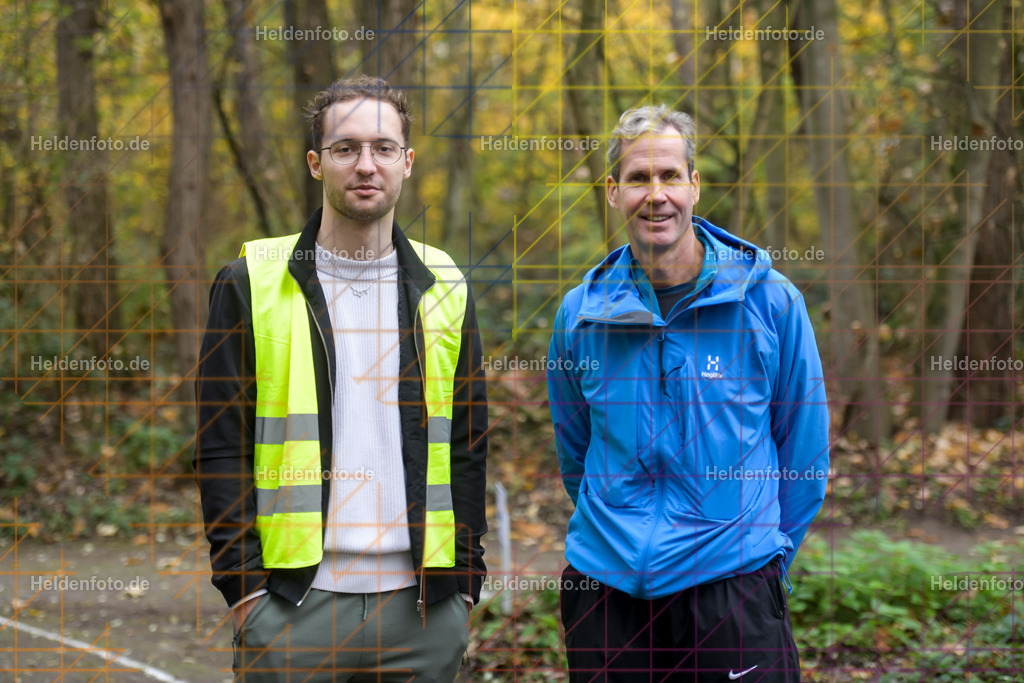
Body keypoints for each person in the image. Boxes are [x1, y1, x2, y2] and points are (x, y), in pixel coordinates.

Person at [194, 75, 488, 682]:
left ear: (406, 163)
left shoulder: (446, 284)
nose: (365, 165)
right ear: (315, 163)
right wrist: (244, 591)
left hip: (422, 612)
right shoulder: (250, 281)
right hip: (292, 608)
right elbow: (220, 445)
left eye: (383, 148)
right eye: (345, 148)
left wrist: (464, 583)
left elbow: (467, 443)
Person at [546, 105, 829, 682]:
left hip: (731, 589)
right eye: (638, 178)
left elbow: (804, 457)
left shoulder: (770, 303)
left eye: (670, 175)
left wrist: (761, 560)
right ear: (612, 191)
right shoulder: (580, 316)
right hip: (606, 594)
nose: (656, 195)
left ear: (695, 186)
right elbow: (575, 453)